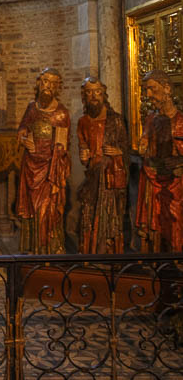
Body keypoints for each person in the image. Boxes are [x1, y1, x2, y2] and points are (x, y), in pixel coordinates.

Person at [16, 67, 71, 254]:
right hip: (31, 165)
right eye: (46, 81)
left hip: (49, 169)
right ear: (39, 83)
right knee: (31, 207)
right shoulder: (32, 108)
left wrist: (56, 153)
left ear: (58, 87)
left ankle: (49, 248)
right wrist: (24, 138)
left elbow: (63, 145)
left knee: (47, 208)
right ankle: (31, 247)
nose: (48, 86)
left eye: (53, 83)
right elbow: (23, 128)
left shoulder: (61, 113)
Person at [77, 77, 128, 254]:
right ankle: (90, 254)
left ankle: (109, 254)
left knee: (110, 218)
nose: (93, 96)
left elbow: (126, 148)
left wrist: (119, 152)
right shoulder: (83, 122)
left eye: (97, 91)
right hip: (93, 177)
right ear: (84, 96)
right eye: (89, 92)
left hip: (110, 178)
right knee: (89, 215)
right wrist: (84, 157)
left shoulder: (116, 120)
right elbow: (83, 151)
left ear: (103, 94)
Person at [136, 69, 183, 252]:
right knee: (154, 221)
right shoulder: (150, 119)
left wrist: (179, 162)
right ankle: (156, 260)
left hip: (175, 185)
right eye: (146, 90)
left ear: (167, 89)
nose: (148, 95)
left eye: (152, 89)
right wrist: (144, 147)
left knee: (175, 223)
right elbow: (145, 145)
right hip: (153, 179)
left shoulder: (180, 120)